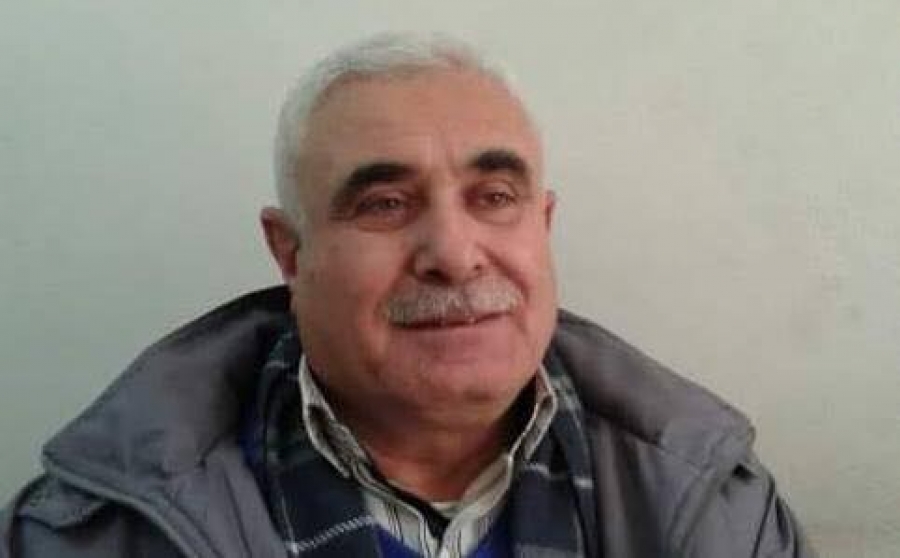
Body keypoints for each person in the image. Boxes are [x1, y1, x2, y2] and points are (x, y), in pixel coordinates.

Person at [1, 33, 816, 558]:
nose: (455, 256)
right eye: (385, 204)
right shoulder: (97, 532)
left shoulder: (714, 505)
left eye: (494, 197)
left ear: (544, 225)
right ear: (290, 252)